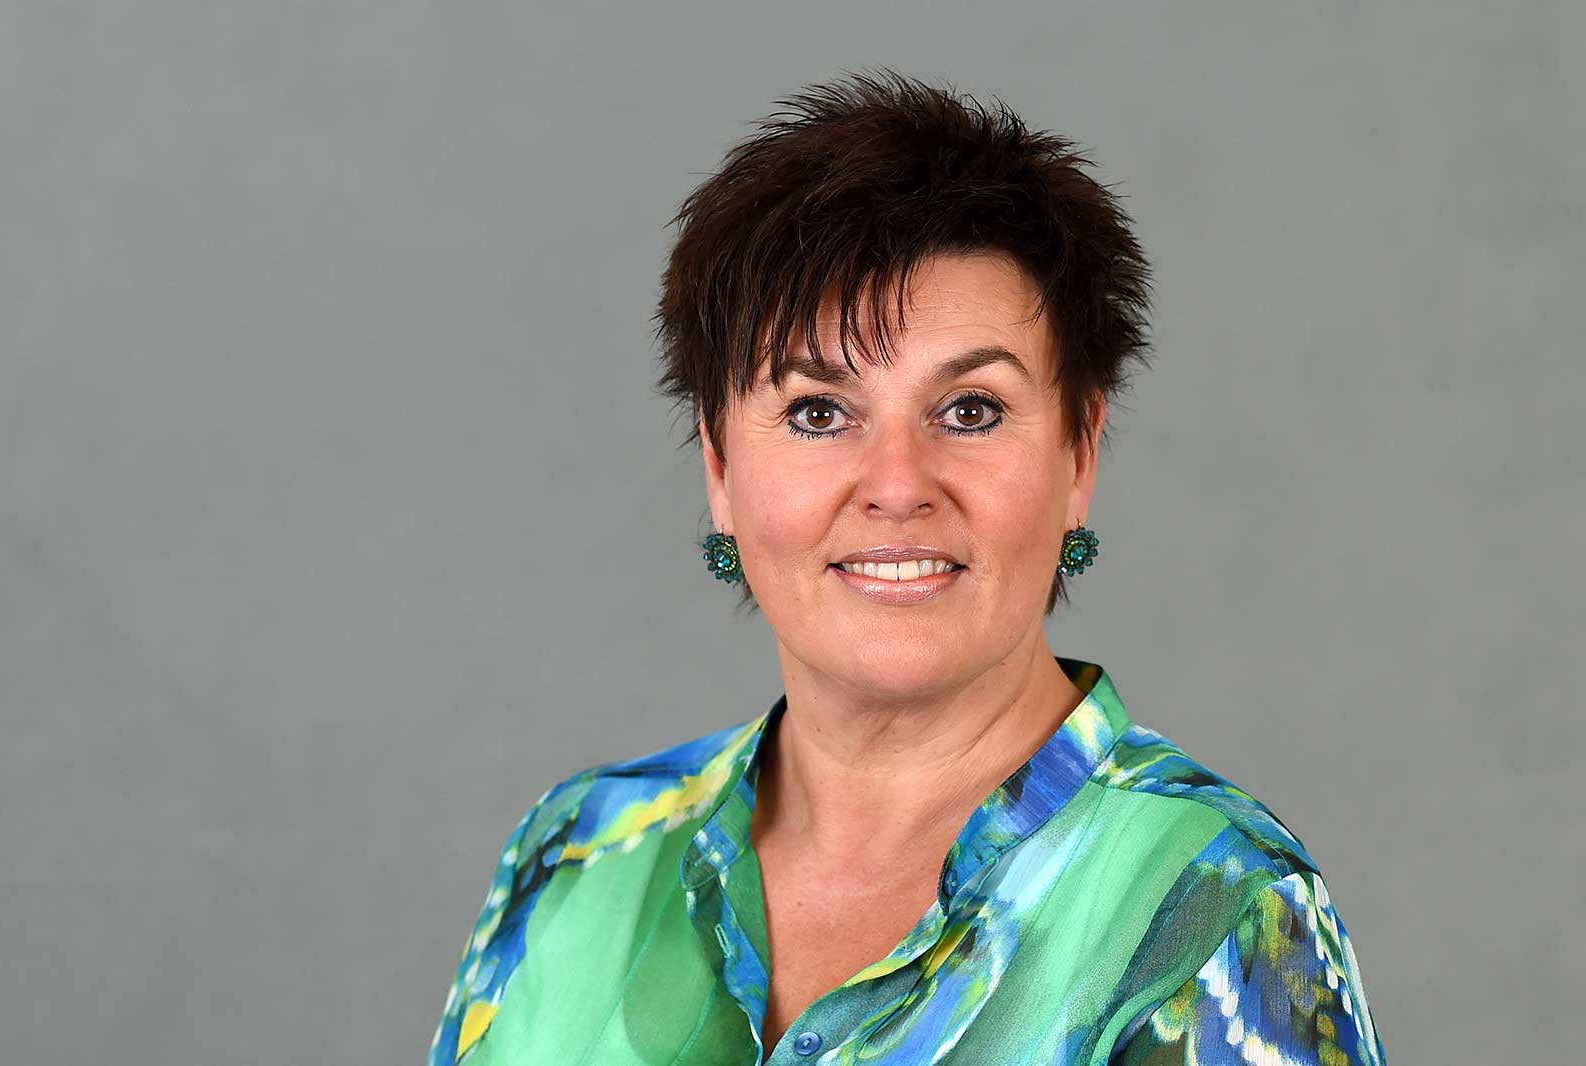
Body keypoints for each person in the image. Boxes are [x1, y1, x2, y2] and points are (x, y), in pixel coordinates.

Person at [428, 69, 1388, 1065]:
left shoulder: (1212, 907)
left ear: (1079, 456)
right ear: (719, 467)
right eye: (817, 413)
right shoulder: (577, 855)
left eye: (970, 411)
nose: (896, 486)